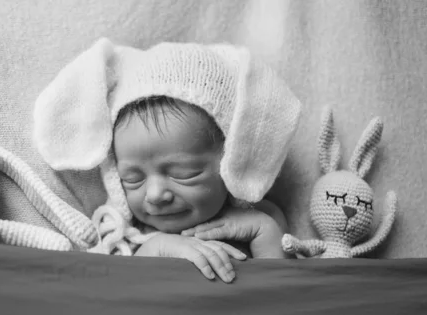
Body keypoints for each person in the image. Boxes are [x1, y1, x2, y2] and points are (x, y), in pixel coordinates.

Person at [33, 38, 301, 283]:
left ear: (230, 158)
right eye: (133, 179)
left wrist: (264, 233)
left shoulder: (257, 220)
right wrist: (155, 249)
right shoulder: (125, 233)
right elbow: (109, 290)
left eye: (183, 173)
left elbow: (286, 295)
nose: (156, 194)